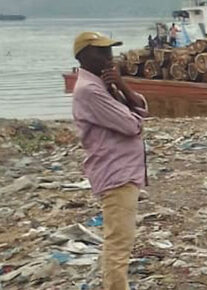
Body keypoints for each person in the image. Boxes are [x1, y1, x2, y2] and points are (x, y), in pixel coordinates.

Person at [72, 32, 149, 290]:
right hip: (115, 173)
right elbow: (132, 124)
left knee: (120, 242)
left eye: (110, 52)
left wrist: (122, 85)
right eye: (101, 52)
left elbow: (142, 108)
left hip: (123, 172)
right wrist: (123, 94)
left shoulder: (103, 85)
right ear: (83, 56)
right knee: (119, 245)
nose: (109, 58)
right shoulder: (90, 90)